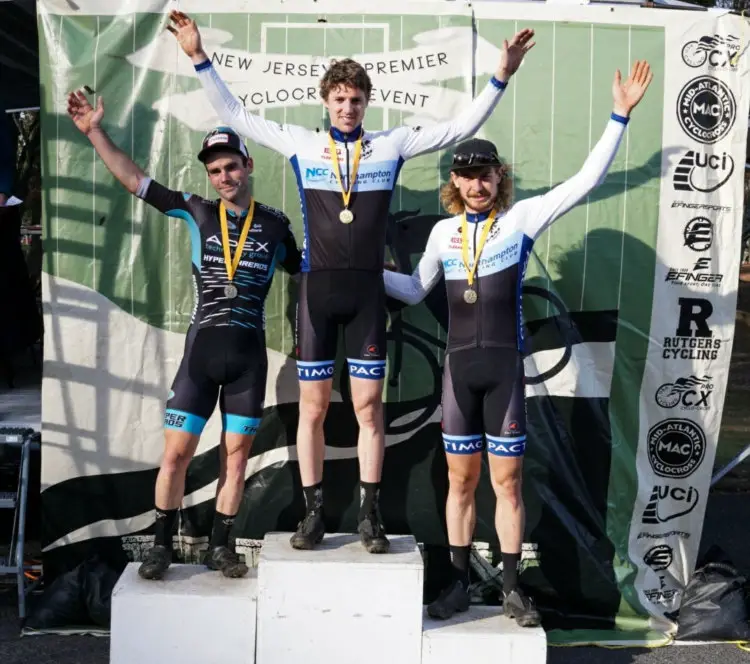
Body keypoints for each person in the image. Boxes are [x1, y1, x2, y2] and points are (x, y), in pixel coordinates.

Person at [167, 10, 536, 553]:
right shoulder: (301, 143)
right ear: (326, 102)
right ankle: (314, 513)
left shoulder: (390, 144)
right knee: (312, 410)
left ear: (367, 103)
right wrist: (199, 55)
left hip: (367, 293)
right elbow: (236, 114)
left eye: (356, 101)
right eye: (339, 100)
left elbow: (458, 128)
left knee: (368, 410)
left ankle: (370, 515)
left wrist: (501, 76)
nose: (347, 108)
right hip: (316, 293)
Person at [383, 61, 653, 625]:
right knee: (461, 481)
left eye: (486, 175)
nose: (477, 184)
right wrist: (359, 270)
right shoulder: (441, 233)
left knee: (506, 483)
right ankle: (456, 584)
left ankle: (510, 588)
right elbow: (412, 290)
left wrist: (619, 116)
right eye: (467, 175)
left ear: (498, 178)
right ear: (454, 182)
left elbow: (586, 182)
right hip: (460, 374)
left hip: (504, 373)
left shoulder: (522, 218)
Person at [66, 90, 302, 580]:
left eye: (231, 167)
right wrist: (93, 131)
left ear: (248, 165)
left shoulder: (277, 226)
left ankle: (222, 545)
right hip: (201, 355)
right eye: (215, 171)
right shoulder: (195, 210)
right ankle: (160, 546)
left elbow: (307, 279)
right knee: (175, 455)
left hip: (248, 362)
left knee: (236, 460)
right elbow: (134, 180)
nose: (224, 177)